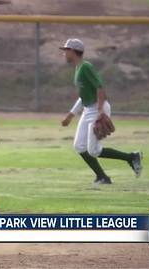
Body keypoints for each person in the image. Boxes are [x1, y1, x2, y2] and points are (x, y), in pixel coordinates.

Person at [59, 38, 142, 184]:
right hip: (88, 109)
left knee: (94, 151)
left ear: (73, 51)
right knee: (79, 146)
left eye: (65, 50)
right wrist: (71, 115)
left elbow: (100, 86)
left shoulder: (86, 67)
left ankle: (132, 157)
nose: (64, 53)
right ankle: (102, 177)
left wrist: (100, 111)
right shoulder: (78, 68)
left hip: (97, 109)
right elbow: (83, 95)